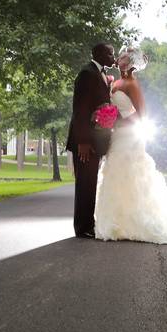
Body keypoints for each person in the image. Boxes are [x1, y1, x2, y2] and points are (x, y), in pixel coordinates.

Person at [94, 45, 167, 244]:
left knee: (130, 174)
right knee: (114, 173)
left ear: (130, 64)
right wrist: (108, 117)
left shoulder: (132, 84)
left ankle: (134, 221)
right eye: (120, 56)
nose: (119, 59)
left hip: (130, 137)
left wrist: (118, 117)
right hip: (116, 135)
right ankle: (116, 222)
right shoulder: (116, 81)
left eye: (122, 57)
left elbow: (142, 115)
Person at [66, 43, 115, 238]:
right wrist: (83, 142)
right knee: (85, 184)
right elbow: (80, 110)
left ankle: (89, 224)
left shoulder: (100, 73)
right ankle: (82, 228)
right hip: (85, 143)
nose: (112, 57)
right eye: (110, 54)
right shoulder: (87, 74)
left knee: (90, 182)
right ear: (100, 55)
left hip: (95, 140)